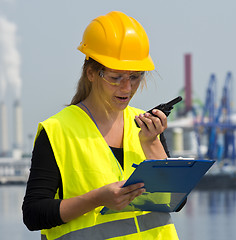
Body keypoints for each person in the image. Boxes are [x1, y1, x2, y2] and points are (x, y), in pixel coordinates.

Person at [22, 11, 180, 240]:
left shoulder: (146, 125)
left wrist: (152, 142)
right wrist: (96, 199)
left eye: (135, 77)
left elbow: (174, 200)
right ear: (91, 74)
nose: (126, 88)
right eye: (116, 77)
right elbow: (34, 215)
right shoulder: (57, 131)